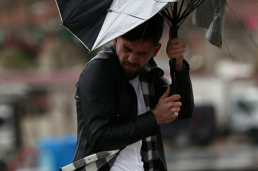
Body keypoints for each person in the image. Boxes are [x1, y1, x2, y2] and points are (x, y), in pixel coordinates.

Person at [69, 13, 194, 171]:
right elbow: (100, 138)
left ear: (155, 51)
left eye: (142, 53)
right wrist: (154, 118)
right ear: (116, 39)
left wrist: (178, 66)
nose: (132, 59)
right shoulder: (98, 71)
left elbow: (183, 110)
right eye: (127, 48)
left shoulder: (148, 71)